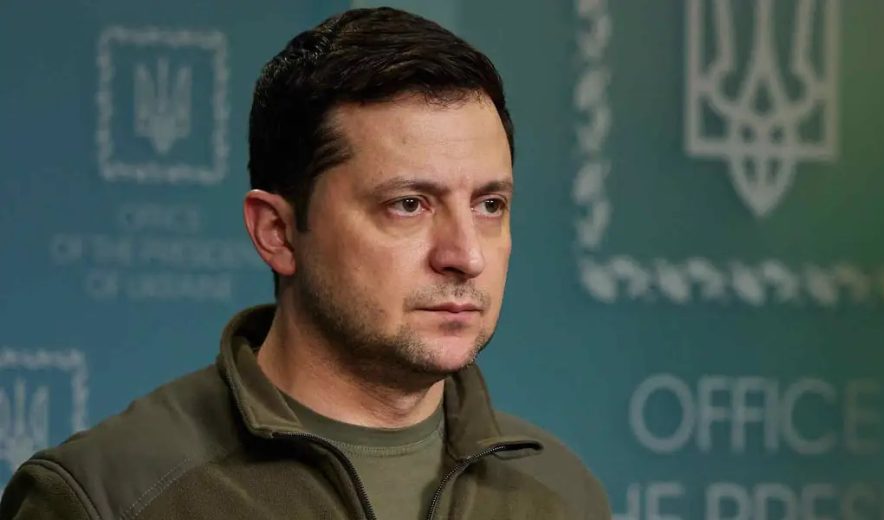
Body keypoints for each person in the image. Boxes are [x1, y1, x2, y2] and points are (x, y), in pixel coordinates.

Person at [0, 7, 610, 519]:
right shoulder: (104, 498)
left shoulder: (562, 494)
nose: (466, 255)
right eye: (408, 204)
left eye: (489, 205)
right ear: (277, 233)